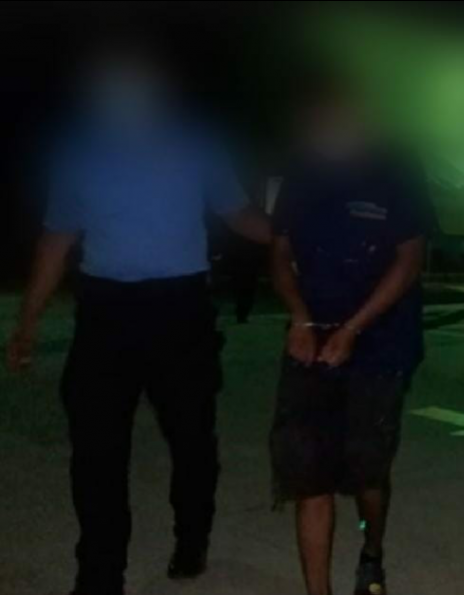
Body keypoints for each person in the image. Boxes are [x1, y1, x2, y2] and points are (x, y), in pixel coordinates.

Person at [4, 50, 270, 595]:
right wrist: (27, 322)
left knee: (192, 439)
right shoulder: (77, 150)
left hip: (181, 310)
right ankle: (99, 574)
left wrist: (295, 237)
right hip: (106, 311)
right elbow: (57, 238)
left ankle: (191, 536)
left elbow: (238, 213)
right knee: (95, 449)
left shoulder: (197, 142)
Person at [268, 83, 433, 595]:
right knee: (307, 476)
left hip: (380, 341)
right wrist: (299, 317)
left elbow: (410, 259)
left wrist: (354, 329)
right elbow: (280, 251)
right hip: (311, 338)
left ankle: (371, 550)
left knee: (367, 472)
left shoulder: (397, 171)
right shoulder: (301, 170)